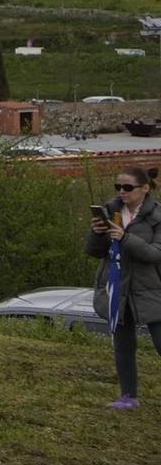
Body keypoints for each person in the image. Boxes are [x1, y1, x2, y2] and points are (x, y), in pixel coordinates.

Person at [88, 168, 161, 410]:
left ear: (145, 188)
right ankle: (128, 397)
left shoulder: (157, 217)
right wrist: (97, 233)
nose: (122, 192)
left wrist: (125, 238)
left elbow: (154, 254)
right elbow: (95, 252)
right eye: (118, 187)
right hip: (118, 287)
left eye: (128, 187)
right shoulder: (112, 211)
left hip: (151, 289)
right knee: (123, 345)